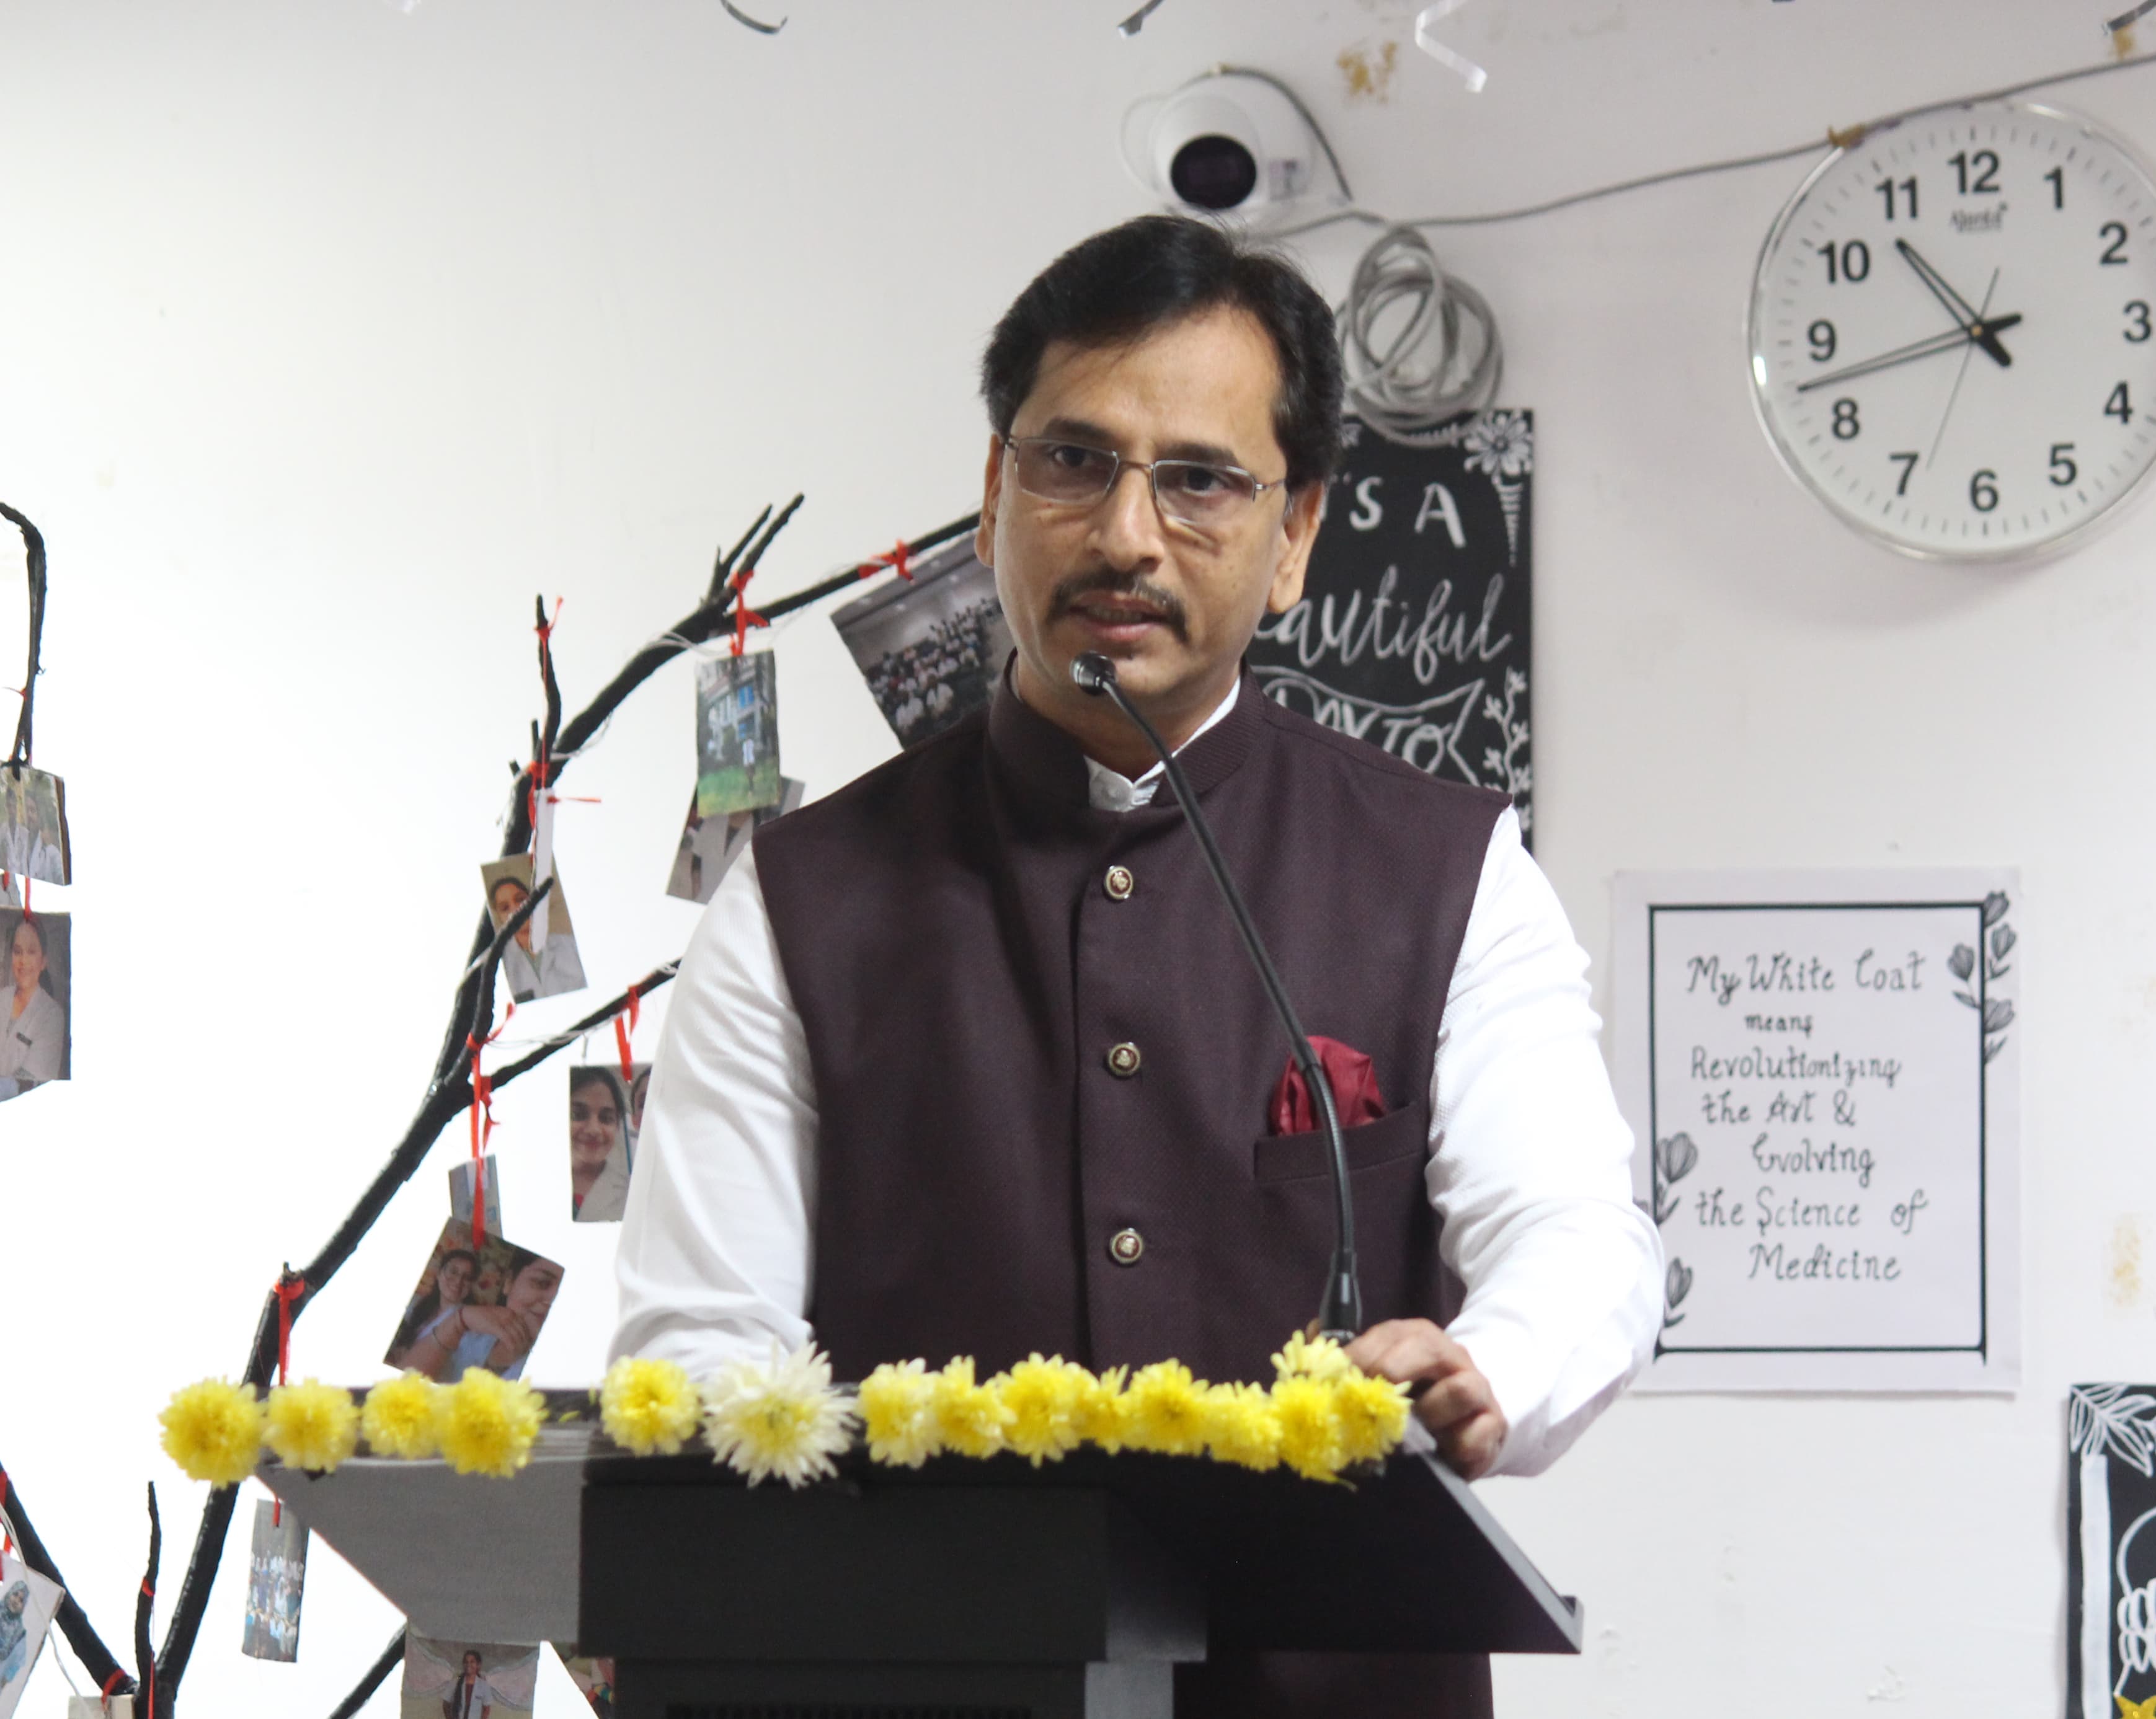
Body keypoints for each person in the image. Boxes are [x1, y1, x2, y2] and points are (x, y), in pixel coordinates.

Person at [612, 217, 1658, 1719]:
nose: (1124, 535)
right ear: (994, 495)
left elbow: (1578, 1234)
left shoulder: (1450, 873)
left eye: (1200, 480)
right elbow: (704, 1336)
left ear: (1295, 537)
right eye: (1072, 461)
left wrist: (1489, 1364)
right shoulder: (795, 902)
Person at [397, 1253, 562, 1382]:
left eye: (467, 1278)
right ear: (509, 1283)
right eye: (542, 1283)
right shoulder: (456, 1319)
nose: (553, 1301)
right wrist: (458, 1322)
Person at [487, 873, 585, 1002]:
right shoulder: (499, 964)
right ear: (499, 917)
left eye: (520, 899)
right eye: (505, 908)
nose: (516, 910)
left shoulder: (570, 945)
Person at [2, 918, 67, 1087]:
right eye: (17, 952)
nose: (23, 961)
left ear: (43, 961)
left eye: (31, 952)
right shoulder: (2, 997)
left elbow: (30, 1083)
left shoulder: (52, 1015)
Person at [389, 1247, 479, 1361]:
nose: (458, 1281)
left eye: (467, 1278)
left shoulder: (469, 1323)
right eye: (453, 1272)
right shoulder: (419, 1305)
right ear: (439, 1274)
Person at [570, 1069, 631, 1222]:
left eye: (606, 1118)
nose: (594, 1130)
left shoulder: (633, 1191)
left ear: (617, 1126)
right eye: (578, 1115)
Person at [442, 1647, 494, 1719]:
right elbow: (446, 1704)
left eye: (472, 1662)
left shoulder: (484, 1685)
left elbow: (486, 1710)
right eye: (466, 1662)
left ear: (478, 1665)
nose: (468, 1665)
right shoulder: (455, 1682)